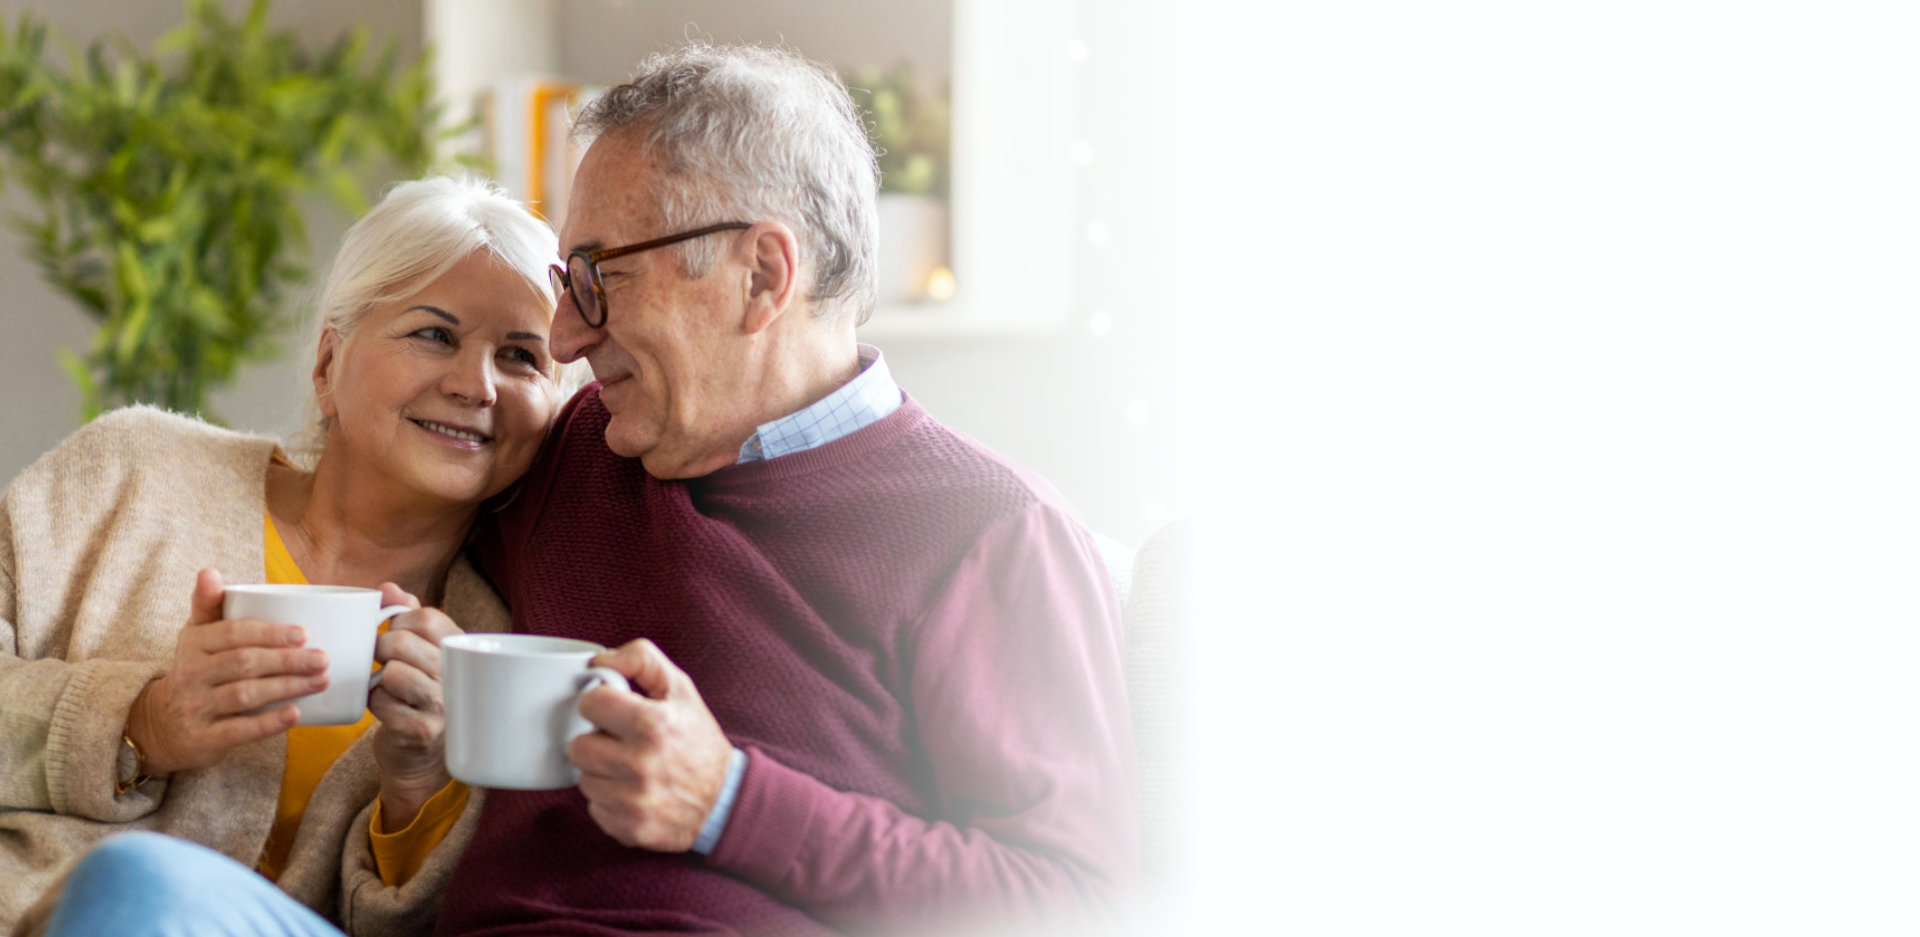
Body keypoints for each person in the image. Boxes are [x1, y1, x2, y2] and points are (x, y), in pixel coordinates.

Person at [33, 41, 1137, 937]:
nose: (562, 339)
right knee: (144, 892)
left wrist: (733, 804)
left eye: (600, 280)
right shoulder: (572, 449)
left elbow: (1074, 902)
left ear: (762, 274)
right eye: (569, 286)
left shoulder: (991, 535)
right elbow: (383, 443)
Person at [1, 175, 565, 936]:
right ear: (328, 364)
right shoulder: (129, 473)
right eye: (435, 334)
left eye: (523, 356)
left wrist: (418, 783)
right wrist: (142, 723)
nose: (477, 384)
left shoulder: (500, 642)